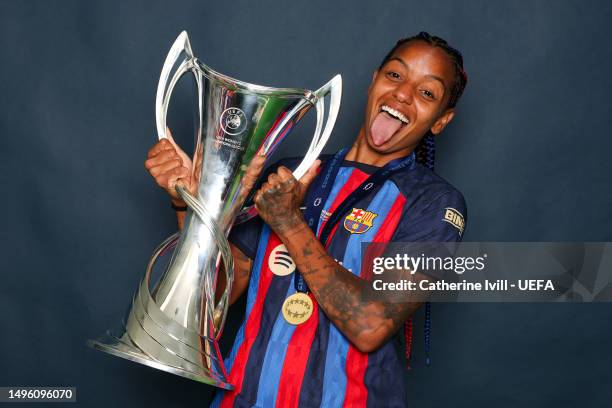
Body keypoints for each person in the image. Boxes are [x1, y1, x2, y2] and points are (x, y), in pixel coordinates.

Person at [145, 31, 468, 407]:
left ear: (441, 120)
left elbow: (370, 325)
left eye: (426, 92)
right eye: (395, 75)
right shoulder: (287, 175)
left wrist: (290, 224)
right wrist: (191, 204)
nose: (402, 94)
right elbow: (205, 306)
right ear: (374, 80)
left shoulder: (433, 203)